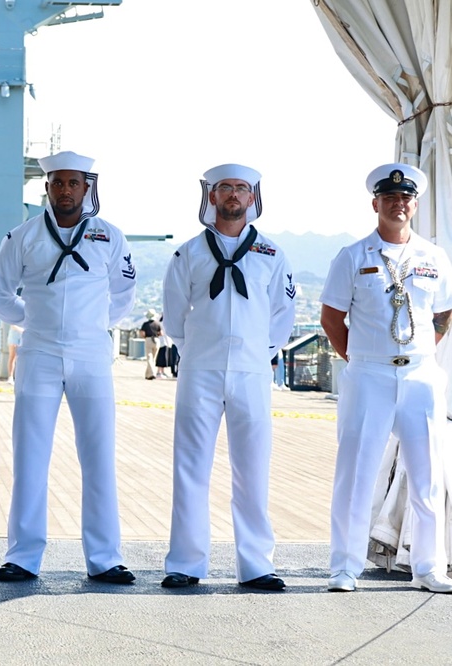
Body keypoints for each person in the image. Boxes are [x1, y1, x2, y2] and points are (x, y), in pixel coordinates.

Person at [0, 150, 137, 584]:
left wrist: (93, 327)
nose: (66, 190)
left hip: (91, 355)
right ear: (47, 188)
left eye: (74, 183)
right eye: (58, 183)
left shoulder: (110, 237)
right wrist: (36, 322)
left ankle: (105, 558)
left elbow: (124, 294)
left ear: (87, 187)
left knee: (98, 455)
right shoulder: (22, 237)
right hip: (39, 353)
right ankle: (23, 556)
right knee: (30, 455)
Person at [160, 163, 295, 591]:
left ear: (253, 198)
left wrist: (258, 353)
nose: (234, 196)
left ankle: (256, 565)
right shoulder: (189, 253)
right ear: (211, 197)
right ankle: (185, 563)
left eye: (241, 189)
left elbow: (283, 315)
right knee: (190, 468)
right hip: (200, 369)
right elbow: (174, 317)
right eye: (225, 189)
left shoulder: (272, 254)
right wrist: (201, 350)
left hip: (252, 372)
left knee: (253, 469)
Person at [320, 162, 452, 594]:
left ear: (414, 205)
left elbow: (444, 311)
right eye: (390, 197)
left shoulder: (434, 256)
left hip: (420, 375)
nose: (399, 204)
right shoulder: (353, 256)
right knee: (355, 472)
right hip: (369, 375)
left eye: (406, 198)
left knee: (428, 473)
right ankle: (344, 566)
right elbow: (332, 317)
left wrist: (424, 350)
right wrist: (359, 357)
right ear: (375, 203)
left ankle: (429, 567)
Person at [140, 310, 162, 379]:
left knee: (149, 358)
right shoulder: (157, 324)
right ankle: (147, 375)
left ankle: (152, 373)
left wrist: (145, 338)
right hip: (156, 340)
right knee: (153, 359)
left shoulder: (145, 324)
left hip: (149, 339)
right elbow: (161, 333)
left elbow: (142, 333)